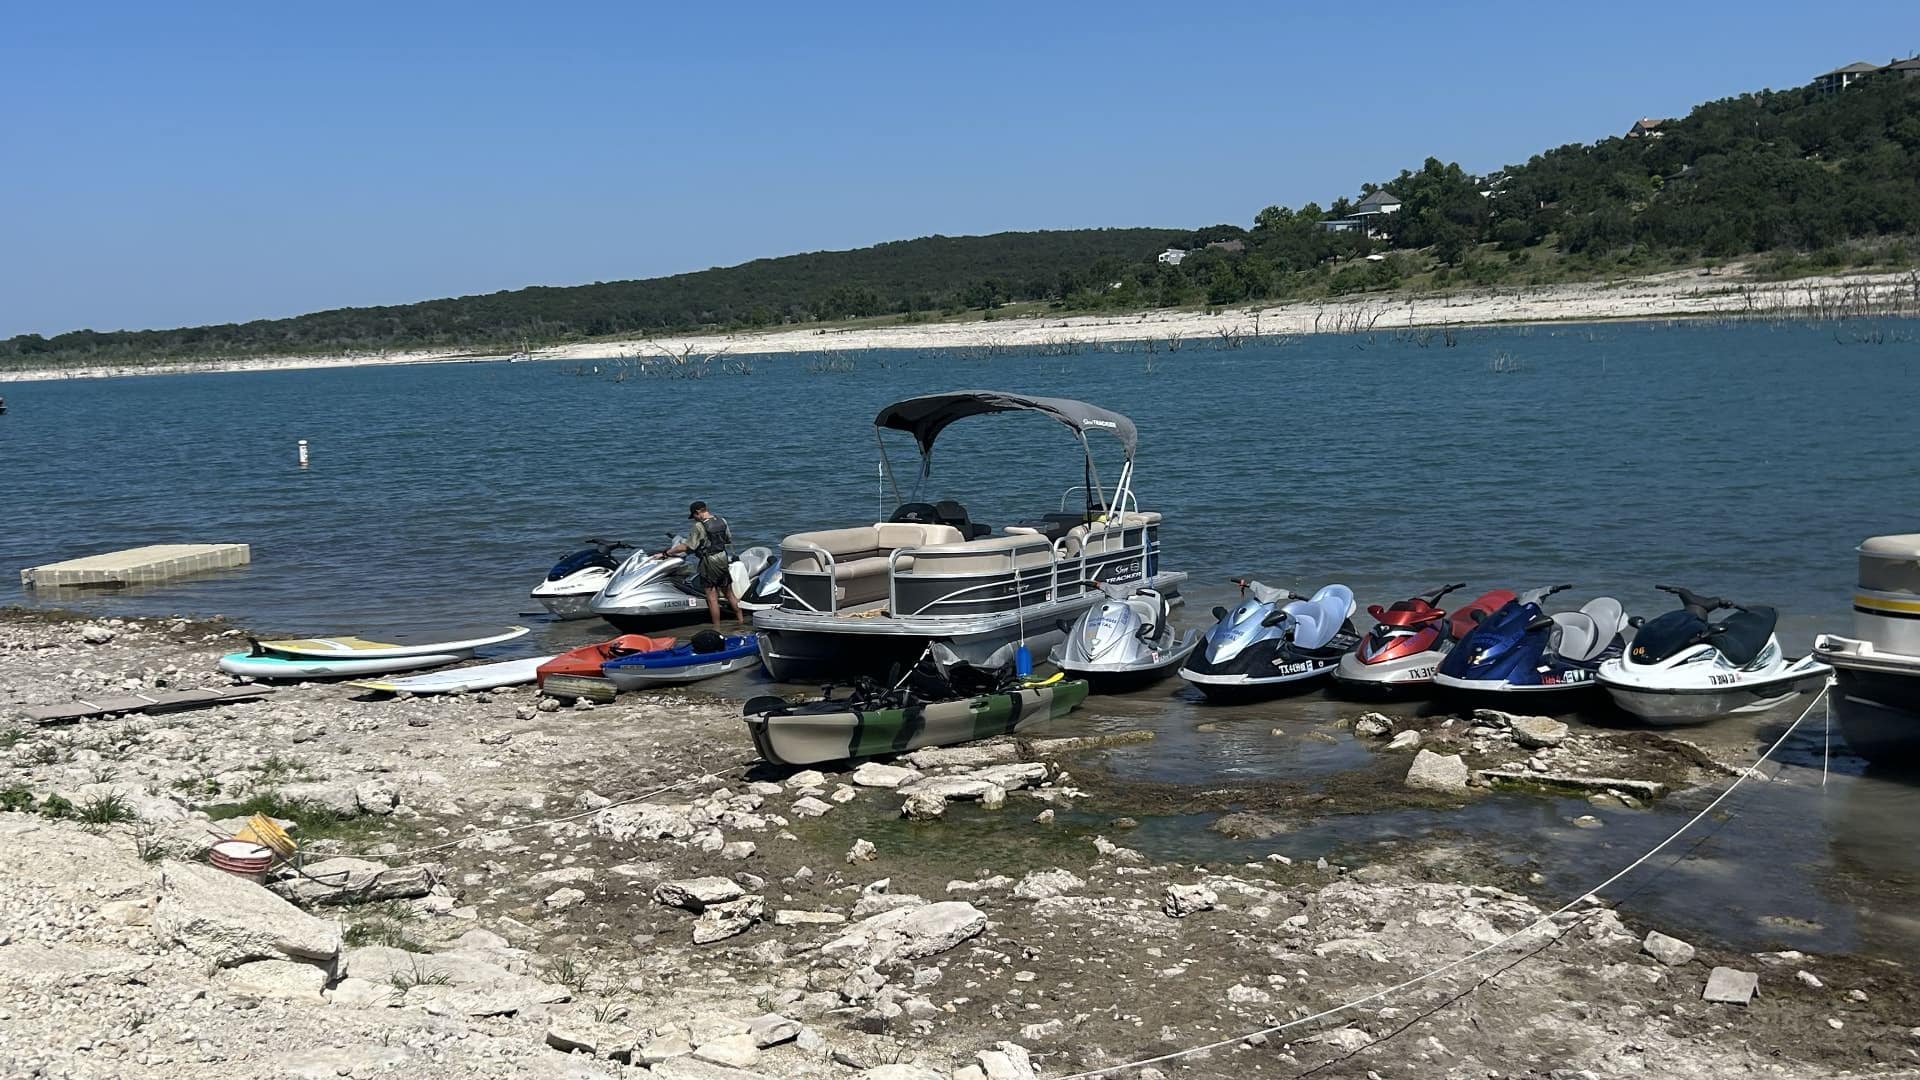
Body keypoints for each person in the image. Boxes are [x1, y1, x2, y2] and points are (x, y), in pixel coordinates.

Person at [660, 500, 745, 628]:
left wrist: (667, 553)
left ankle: (717, 627)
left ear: (698, 512)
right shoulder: (722, 520)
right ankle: (741, 621)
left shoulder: (699, 526)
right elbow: (727, 539)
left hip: (709, 561)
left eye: (694, 516)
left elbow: (687, 546)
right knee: (729, 593)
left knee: (711, 597)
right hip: (723, 558)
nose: (694, 519)